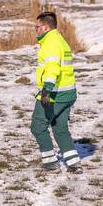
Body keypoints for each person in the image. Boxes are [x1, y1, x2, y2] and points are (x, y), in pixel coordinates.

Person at [31, 11, 81, 173]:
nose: (36, 30)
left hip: (54, 94)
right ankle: (74, 163)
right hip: (68, 93)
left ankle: (50, 162)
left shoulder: (51, 43)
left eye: (37, 27)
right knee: (60, 128)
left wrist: (46, 90)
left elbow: (53, 68)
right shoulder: (60, 40)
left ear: (45, 27)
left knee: (38, 126)